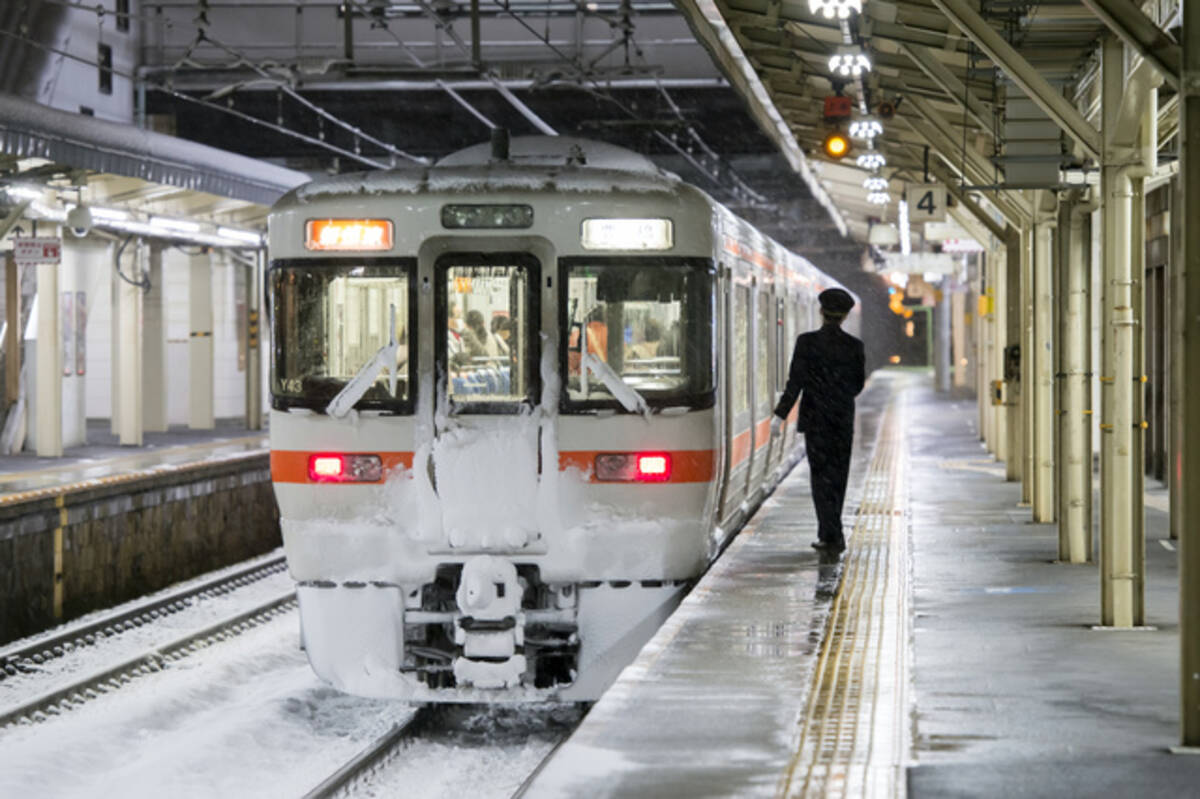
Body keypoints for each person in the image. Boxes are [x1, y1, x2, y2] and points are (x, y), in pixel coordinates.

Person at [771, 288, 865, 553]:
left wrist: (780, 414)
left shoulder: (806, 343)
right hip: (841, 420)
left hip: (815, 420)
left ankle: (831, 534)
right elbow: (857, 386)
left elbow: (795, 383)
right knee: (839, 476)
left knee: (820, 477)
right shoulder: (855, 347)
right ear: (845, 316)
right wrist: (837, 394)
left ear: (821, 312)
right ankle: (832, 533)